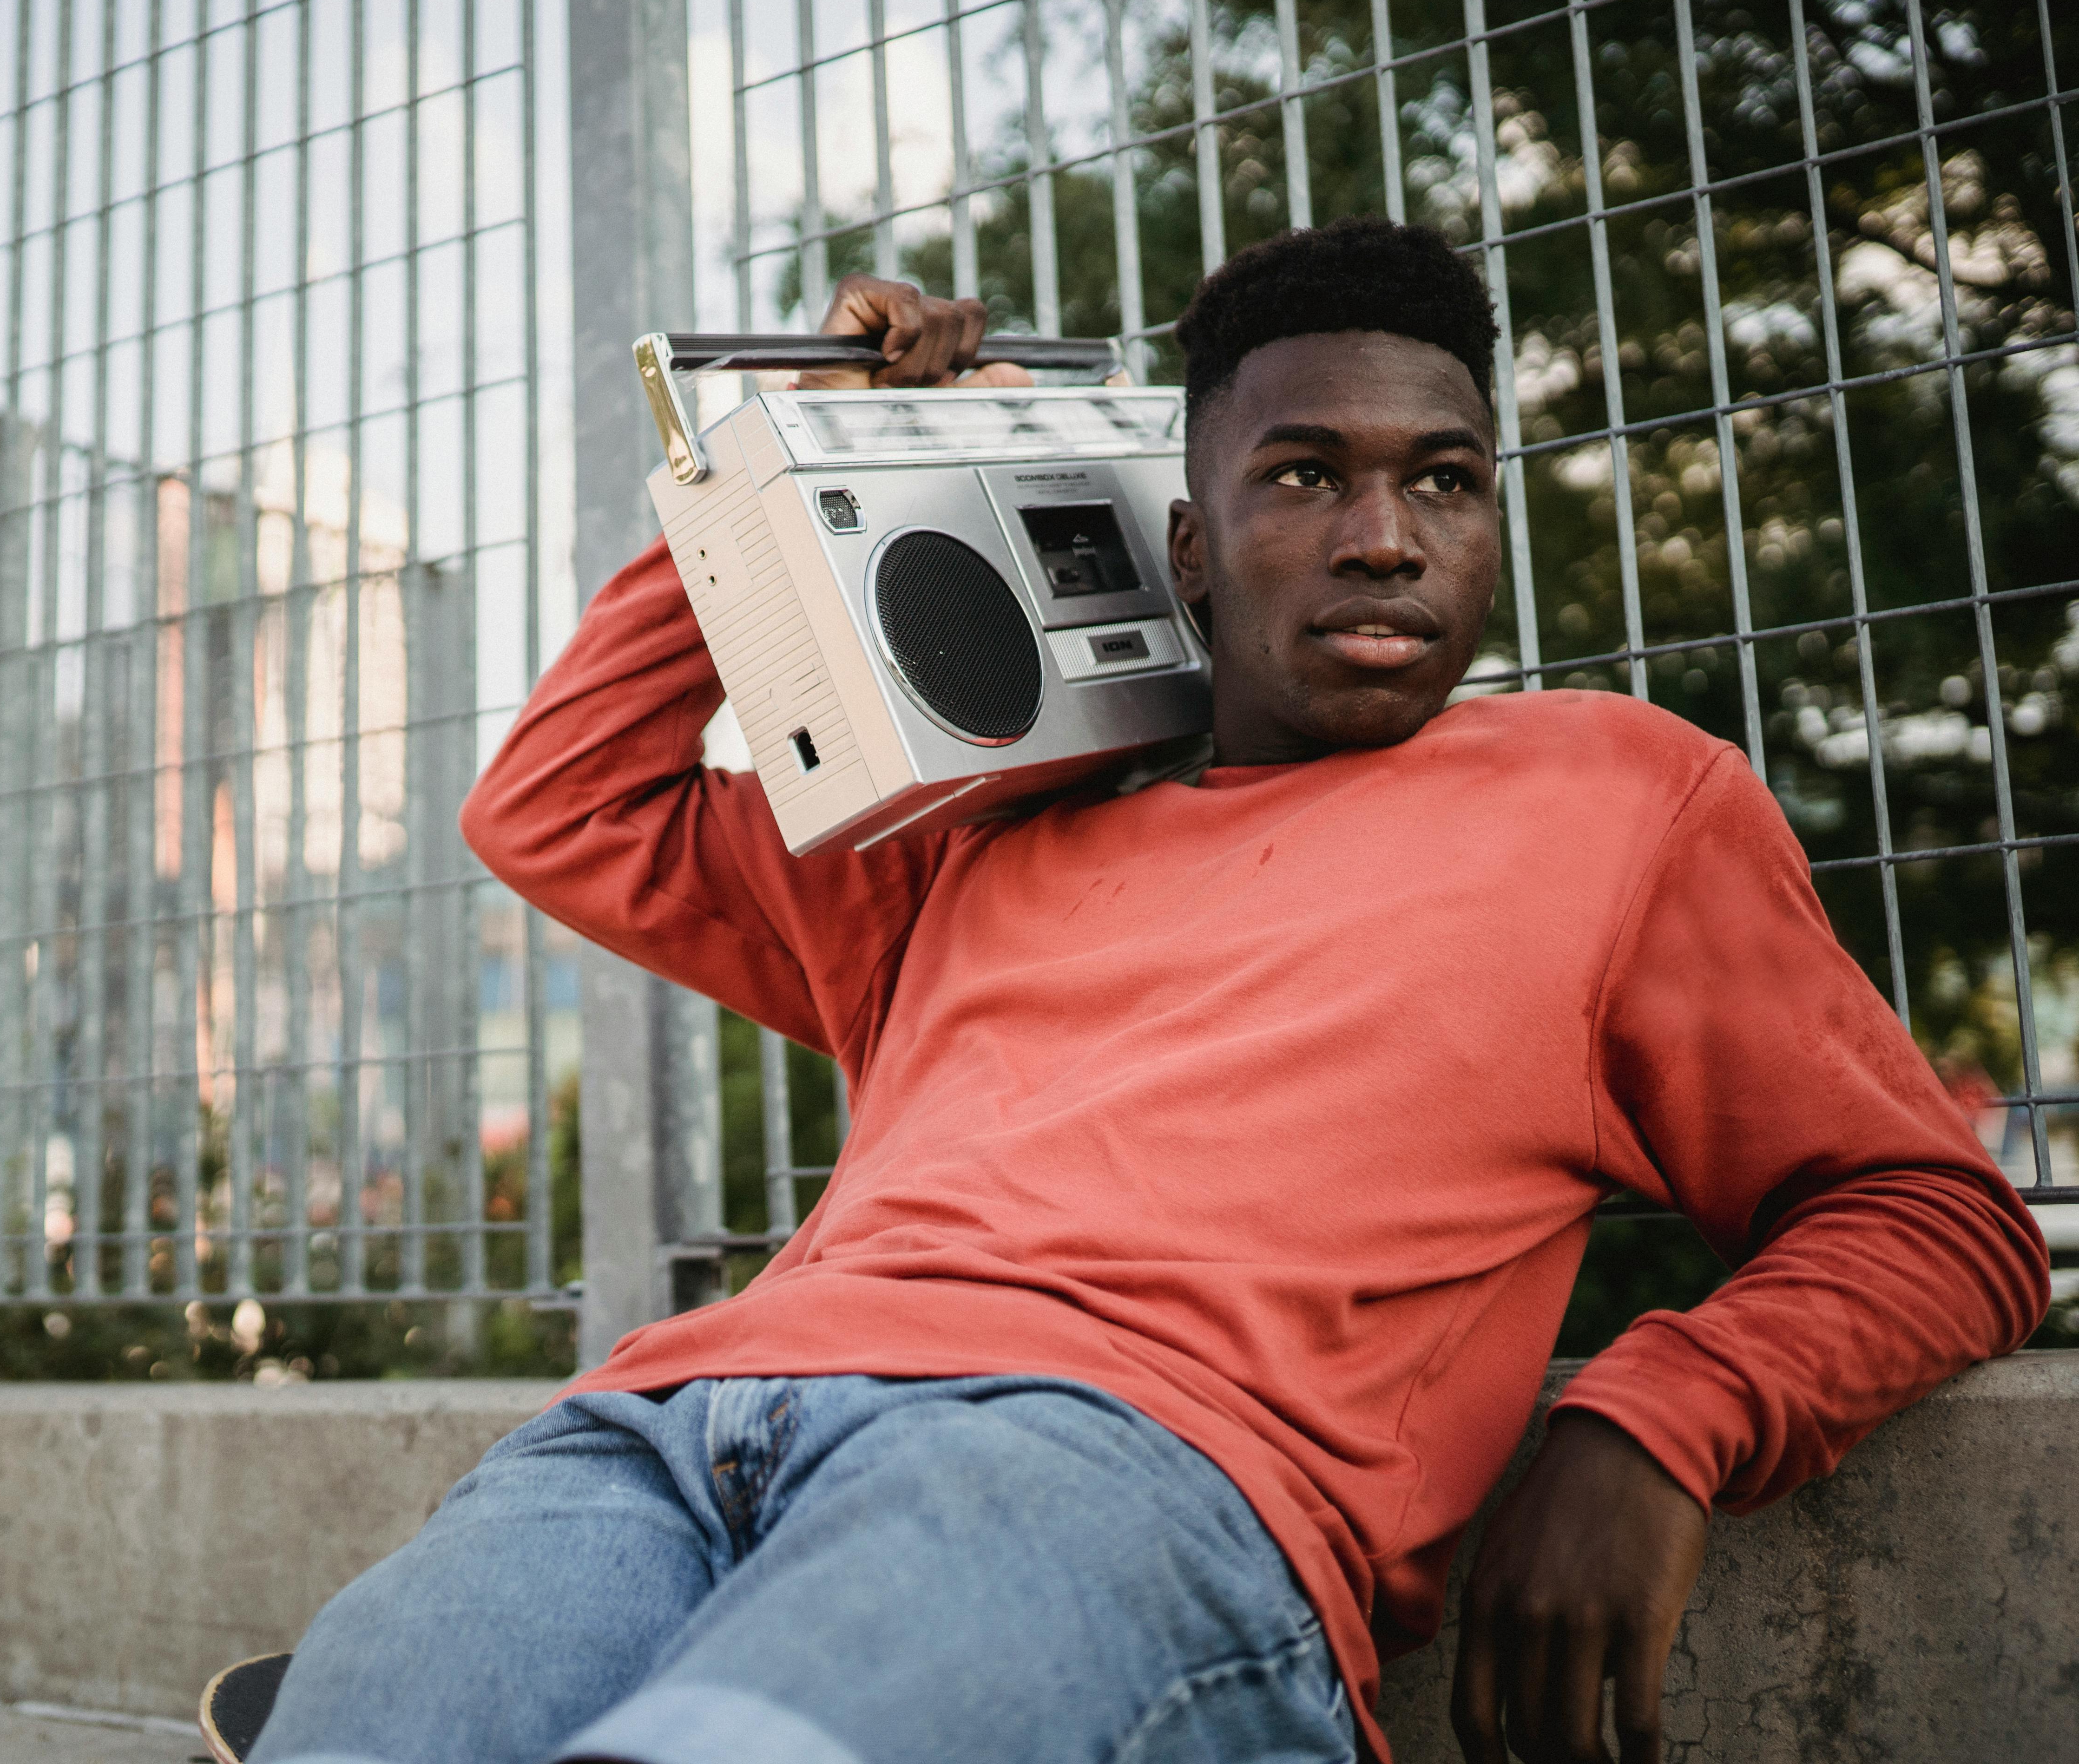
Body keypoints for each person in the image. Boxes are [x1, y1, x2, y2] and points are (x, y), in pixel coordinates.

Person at [244, 219, 2046, 1764]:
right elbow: (562, 803)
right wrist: (811, 447)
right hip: (663, 1428)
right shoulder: (977, 822)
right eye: (1301, 474)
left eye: (1443, 477)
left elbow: (1932, 1215)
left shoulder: (1619, 798)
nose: (1382, 534)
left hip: (1116, 1468)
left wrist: (1655, 1418)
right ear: (1187, 549)